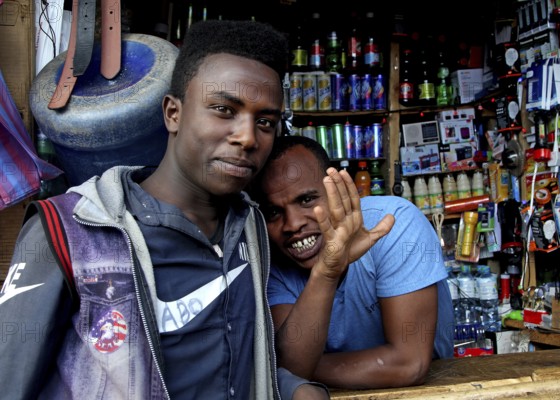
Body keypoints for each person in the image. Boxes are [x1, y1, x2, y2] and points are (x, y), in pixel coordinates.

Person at [0, 20, 333, 400]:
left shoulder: (249, 227)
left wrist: (294, 389)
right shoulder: (71, 232)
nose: (247, 137)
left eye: (266, 122)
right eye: (224, 109)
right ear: (173, 113)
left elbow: (234, 364)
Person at [252, 135, 455, 390]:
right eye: (273, 212)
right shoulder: (274, 261)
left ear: (338, 191)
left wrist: (291, 369)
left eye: (306, 200)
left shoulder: (393, 224)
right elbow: (292, 366)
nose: (293, 224)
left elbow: (409, 364)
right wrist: (327, 272)